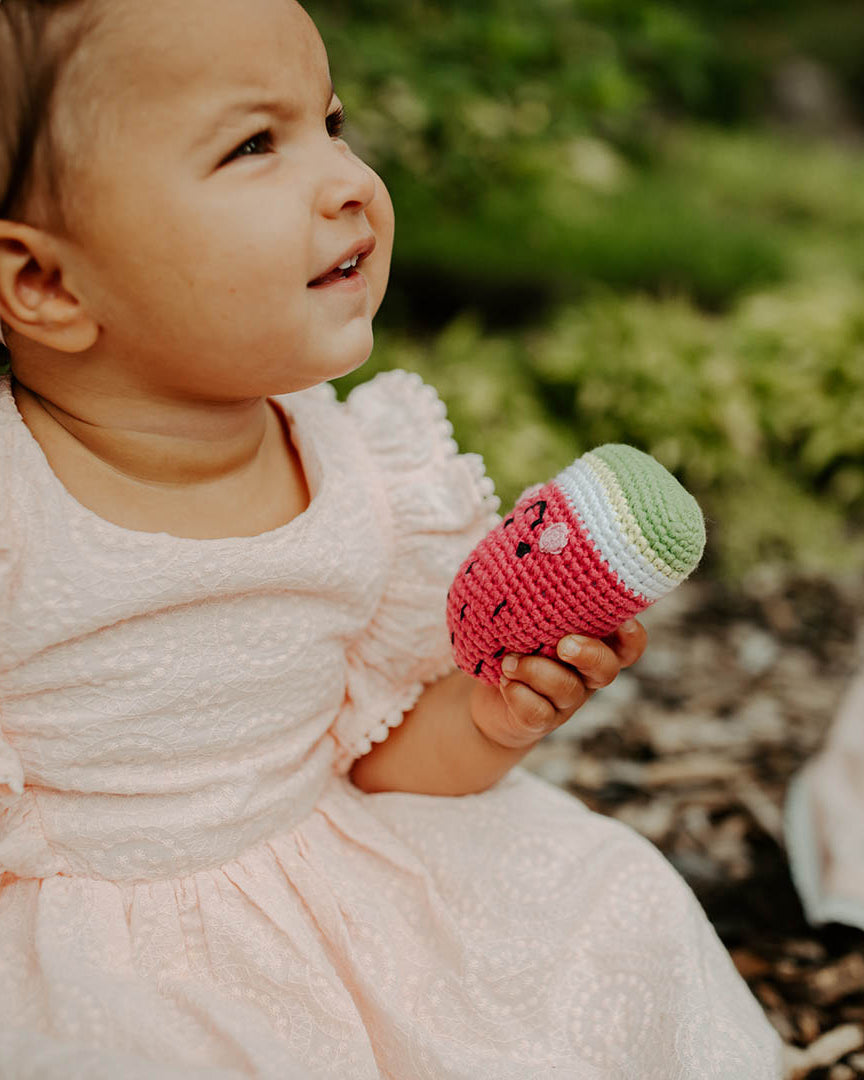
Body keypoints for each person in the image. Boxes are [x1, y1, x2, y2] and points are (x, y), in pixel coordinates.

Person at [0, 0, 782, 1076]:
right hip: (97, 967)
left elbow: (374, 766)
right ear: (44, 282)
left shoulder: (361, 477)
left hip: (332, 884)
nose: (350, 179)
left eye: (333, 119)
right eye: (254, 144)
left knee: (605, 900)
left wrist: (490, 716)